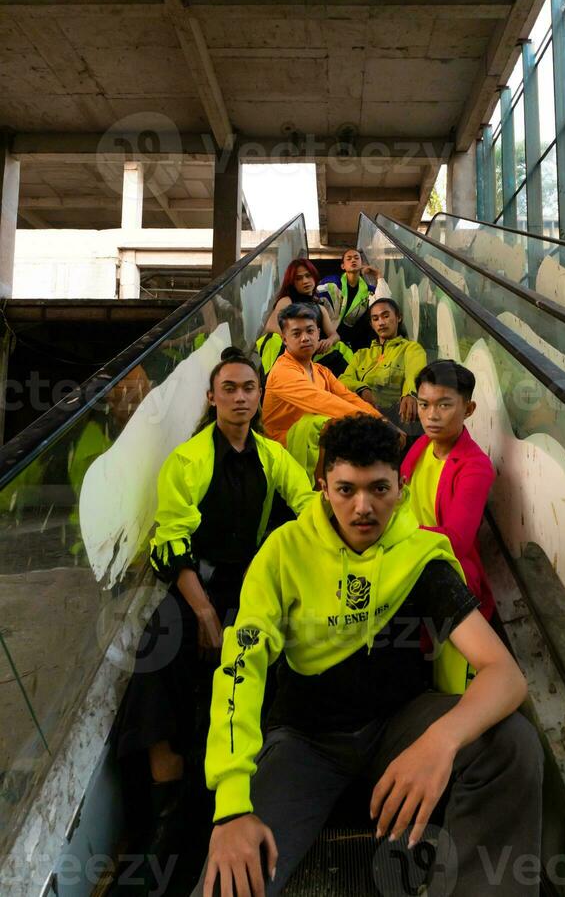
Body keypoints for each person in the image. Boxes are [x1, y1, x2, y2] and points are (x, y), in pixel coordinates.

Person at [194, 415, 542, 897]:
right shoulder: (284, 552)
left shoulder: (418, 555)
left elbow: (505, 675)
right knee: (234, 877)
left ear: (401, 486)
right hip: (307, 740)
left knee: (511, 742)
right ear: (322, 487)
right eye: (346, 490)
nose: (363, 507)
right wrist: (231, 805)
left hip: (399, 725)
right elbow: (240, 668)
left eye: (379, 488)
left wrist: (440, 741)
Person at [114, 347, 314, 862]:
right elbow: (171, 541)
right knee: (158, 652)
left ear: (259, 395)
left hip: (252, 586)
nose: (241, 397)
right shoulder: (189, 458)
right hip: (195, 586)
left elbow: (310, 503)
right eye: (230, 388)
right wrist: (203, 613)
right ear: (212, 396)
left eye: (249, 388)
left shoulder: (273, 455)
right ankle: (164, 804)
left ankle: (261, 790)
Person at [401, 360, 496, 624]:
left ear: (468, 409)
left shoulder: (475, 468)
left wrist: (389, 535)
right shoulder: (422, 444)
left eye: (444, 405)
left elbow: (456, 541)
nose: (431, 415)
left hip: (444, 573)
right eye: (424, 404)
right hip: (406, 556)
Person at [262, 303, 381, 478]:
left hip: (313, 446)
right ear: (284, 339)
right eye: (296, 333)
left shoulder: (320, 371)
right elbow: (322, 400)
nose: (305, 338)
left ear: (318, 333)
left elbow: (348, 397)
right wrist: (375, 425)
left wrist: (381, 420)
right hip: (282, 448)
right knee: (323, 422)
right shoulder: (282, 371)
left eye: (310, 331)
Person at [338, 297, 427, 430]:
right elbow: (343, 380)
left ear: (399, 317)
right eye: (375, 319)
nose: (381, 322)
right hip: (361, 417)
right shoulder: (361, 355)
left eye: (385, 316)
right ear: (372, 324)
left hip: (396, 418)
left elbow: (415, 373)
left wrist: (410, 394)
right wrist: (362, 388)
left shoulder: (410, 348)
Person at [318, 247, 392, 351]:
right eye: (349, 258)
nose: (353, 260)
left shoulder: (368, 291)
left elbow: (385, 303)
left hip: (347, 341)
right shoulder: (332, 283)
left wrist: (378, 275)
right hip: (324, 336)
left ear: (361, 264)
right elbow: (315, 297)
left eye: (356, 258)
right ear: (343, 266)